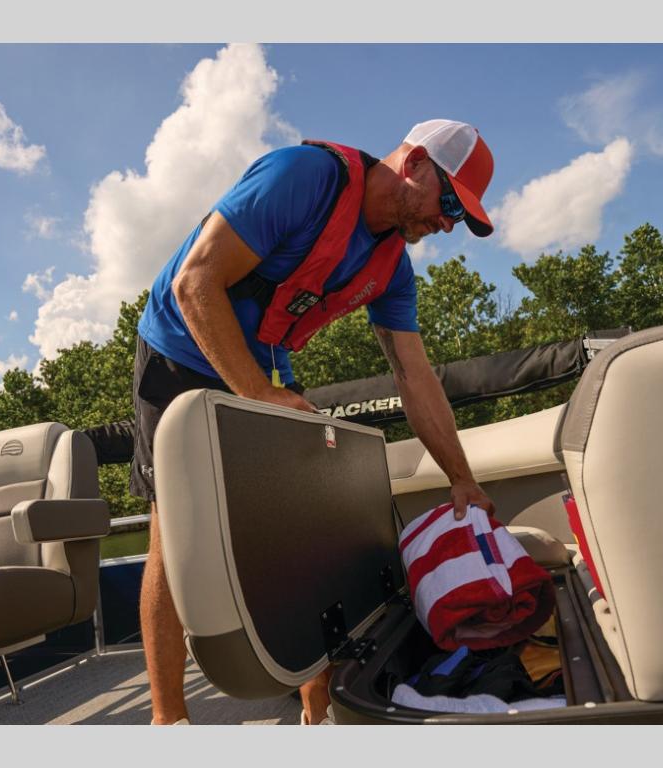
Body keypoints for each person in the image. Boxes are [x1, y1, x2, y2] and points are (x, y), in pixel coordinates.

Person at [131, 119, 499, 725]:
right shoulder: (302, 177)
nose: (449, 223)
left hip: (264, 365)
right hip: (181, 348)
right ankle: (168, 722)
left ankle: (317, 716)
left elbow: (415, 376)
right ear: (415, 164)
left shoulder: (393, 269)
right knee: (171, 531)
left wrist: (463, 479)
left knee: (301, 533)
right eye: (452, 204)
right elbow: (194, 282)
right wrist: (258, 394)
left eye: (462, 217)